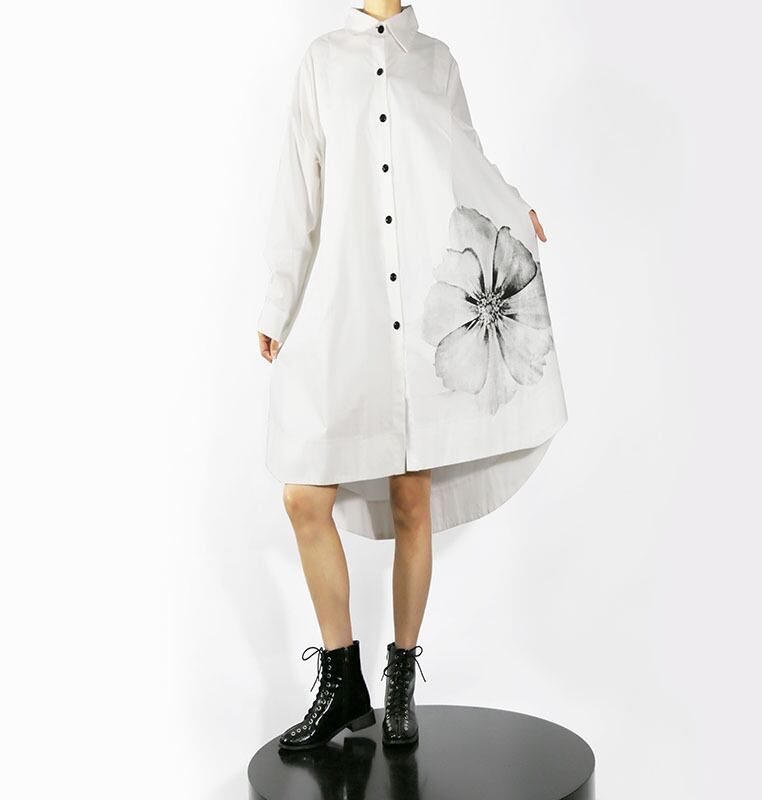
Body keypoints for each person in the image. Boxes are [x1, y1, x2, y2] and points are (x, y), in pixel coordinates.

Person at [256, 2, 567, 750]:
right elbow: (299, 188)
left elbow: (466, 163)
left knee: (410, 501)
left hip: (424, 317)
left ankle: (399, 681)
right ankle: (342, 681)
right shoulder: (322, 61)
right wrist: (277, 300)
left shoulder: (436, 61)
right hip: (346, 313)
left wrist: (514, 207)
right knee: (303, 495)